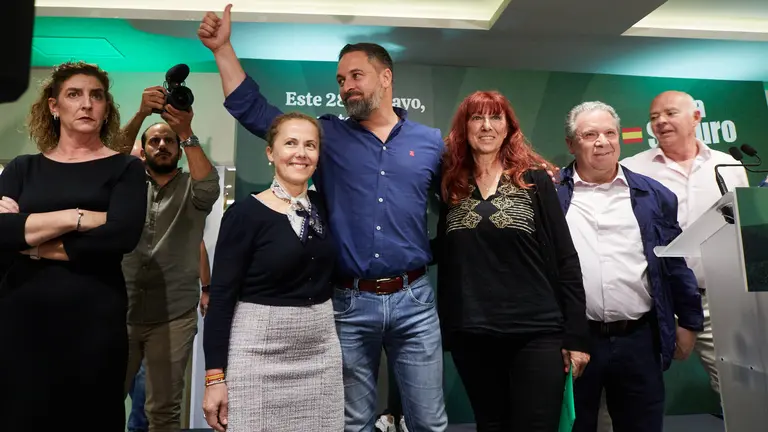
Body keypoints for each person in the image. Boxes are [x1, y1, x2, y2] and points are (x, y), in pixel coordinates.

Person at [198, 5, 448, 430]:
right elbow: (254, 110)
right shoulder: (326, 136)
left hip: (414, 300)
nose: (346, 87)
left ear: (385, 77)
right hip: (349, 302)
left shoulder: (430, 142)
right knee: (352, 422)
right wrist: (222, 49)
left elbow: (463, 195)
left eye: (356, 76)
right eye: (340, 81)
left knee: (430, 421)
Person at [0, 61, 147, 430]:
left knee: (91, 416)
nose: (86, 104)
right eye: (74, 95)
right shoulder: (22, 168)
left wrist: (30, 239)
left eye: (96, 96)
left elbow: (121, 237)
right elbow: (2, 235)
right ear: (54, 106)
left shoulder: (125, 169)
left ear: (106, 107)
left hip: (94, 317)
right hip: (22, 315)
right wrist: (77, 217)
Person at [432, 91, 590, 431]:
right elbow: (446, 255)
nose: (486, 126)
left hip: (536, 333)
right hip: (473, 334)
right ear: (464, 127)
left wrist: (576, 336)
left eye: (495, 118)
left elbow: (565, 258)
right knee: (491, 425)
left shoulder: (534, 180)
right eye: (477, 118)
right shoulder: (452, 185)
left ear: (508, 127)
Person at [558, 101, 704, 432]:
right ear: (571, 144)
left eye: (610, 133)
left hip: (639, 338)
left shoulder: (654, 195)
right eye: (590, 134)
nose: (602, 142)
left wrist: (690, 322)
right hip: (575, 341)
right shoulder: (552, 196)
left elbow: (674, 263)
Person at [201, 112, 342, 432]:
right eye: (290, 143)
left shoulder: (326, 208)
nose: (301, 153)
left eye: (310, 145)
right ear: (270, 153)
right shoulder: (244, 214)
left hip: (320, 352)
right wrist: (215, 377)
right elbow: (221, 299)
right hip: (257, 351)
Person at [622, 90, 749, 398]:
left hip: (719, 297)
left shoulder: (729, 165)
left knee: (739, 391)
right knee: (630, 391)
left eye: (670, 114)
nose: (661, 122)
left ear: (696, 117)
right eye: (654, 117)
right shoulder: (632, 169)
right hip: (656, 299)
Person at [120, 101, 220, 431]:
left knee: (162, 409)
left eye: (169, 141)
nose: (162, 145)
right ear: (143, 148)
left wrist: (186, 130)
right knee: (102, 398)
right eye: (154, 141)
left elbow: (211, 187)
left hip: (173, 315)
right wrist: (139, 116)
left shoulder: (193, 189)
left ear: (179, 149)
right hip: (121, 308)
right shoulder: (125, 185)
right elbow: (105, 164)